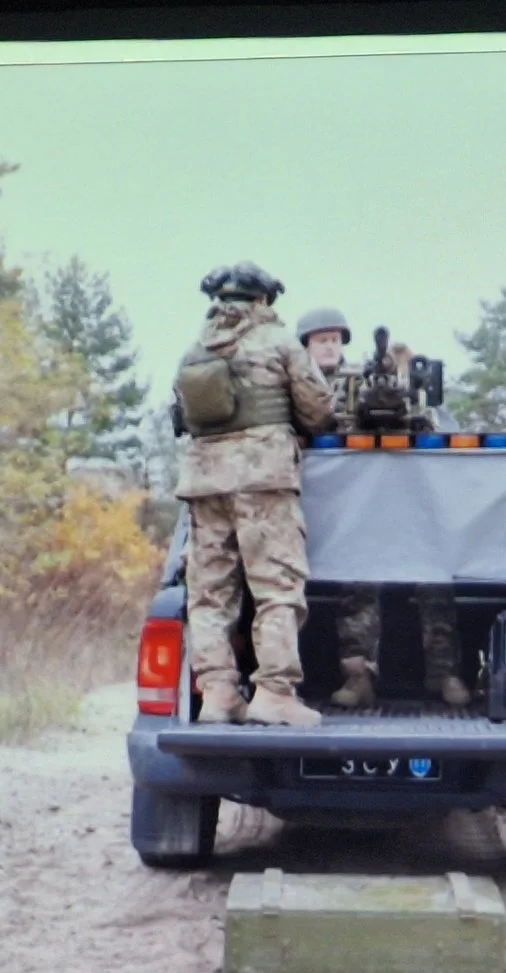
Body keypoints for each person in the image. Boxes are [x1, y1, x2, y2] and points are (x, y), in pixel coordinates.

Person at [173, 262, 337, 727]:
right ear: (263, 300)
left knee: (208, 594)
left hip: (204, 485)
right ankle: (274, 693)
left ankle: (219, 693)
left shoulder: (195, 349)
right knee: (278, 587)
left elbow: (181, 416)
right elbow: (318, 409)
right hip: (262, 482)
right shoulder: (278, 342)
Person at [294, 307, 470, 710]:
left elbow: (432, 434)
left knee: (436, 583)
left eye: (335, 340)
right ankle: (358, 677)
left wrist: (405, 403)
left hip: (406, 510)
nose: (330, 347)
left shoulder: (365, 379)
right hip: (345, 515)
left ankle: (445, 673)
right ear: (305, 346)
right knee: (355, 585)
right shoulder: (301, 388)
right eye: (321, 340)